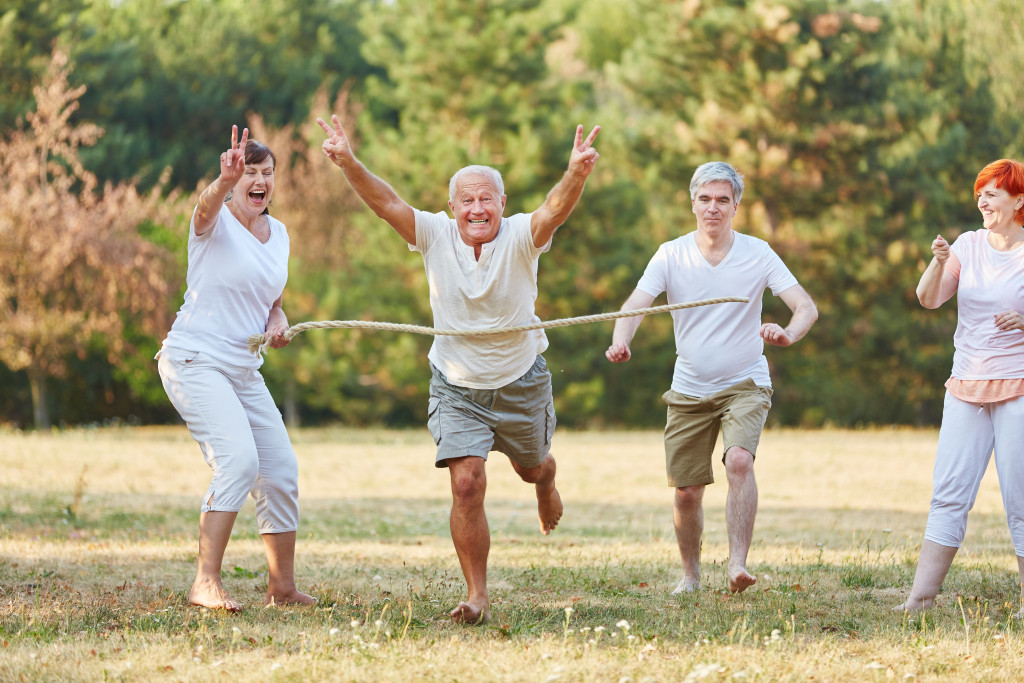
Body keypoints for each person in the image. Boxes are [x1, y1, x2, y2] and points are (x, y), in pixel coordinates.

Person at [316, 113, 599, 624]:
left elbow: (554, 210)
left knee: (532, 465)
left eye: (486, 197)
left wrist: (574, 173)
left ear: (502, 204)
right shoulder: (433, 234)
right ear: (452, 207)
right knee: (466, 483)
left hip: (521, 381)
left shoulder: (520, 236)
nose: (476, 207)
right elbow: (386, 203)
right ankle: (477, 595)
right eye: (466, 199)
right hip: (456, 385)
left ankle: (545, 479)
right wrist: (348, 163)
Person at [605, 161, 817, 594]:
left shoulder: (757, 253)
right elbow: (636, 304)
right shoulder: (671, 253)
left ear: (736, 205)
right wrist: (621, 340)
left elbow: (806, 307)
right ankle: (691, 575)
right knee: (686, 492)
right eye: (705, 199)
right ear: (693, 203)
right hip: (689, 386)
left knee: (739, 461)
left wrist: (788, 333)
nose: (713, 208)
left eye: (723, 200)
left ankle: (738, 564)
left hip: (745, 381)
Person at [157, 125, 314, 611]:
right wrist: (222, 182)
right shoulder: (215, 221)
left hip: (245, 368)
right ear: (235, 177)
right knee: (239, 462)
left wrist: (279, 325)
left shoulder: (280, 234)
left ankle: (281, 589)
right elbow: (203, 208)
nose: (260, 180)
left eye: (267, 172)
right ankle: (205, 581)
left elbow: (273, 305)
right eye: (251, 171)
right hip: (195, 359)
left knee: (280, 470)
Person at [898, 159, 1024, 613]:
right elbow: (929, 299)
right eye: (980, 193)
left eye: (993, 192)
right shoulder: (967, 247)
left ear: (1019, 201)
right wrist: (939, 262)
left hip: (1019, 387)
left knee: (1020, 496)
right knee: (948, 492)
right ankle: (920, 597)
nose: (983, 200)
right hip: (966, 386)